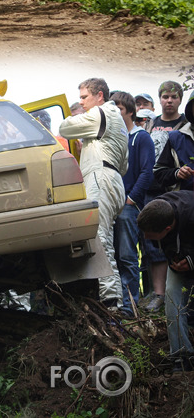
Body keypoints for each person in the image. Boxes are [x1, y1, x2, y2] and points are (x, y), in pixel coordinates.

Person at [59, 78, 129, 309]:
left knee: (100, 240)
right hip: (114, 179)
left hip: (101, 178)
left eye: (83, 97)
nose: (82, 102)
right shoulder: (117, 121)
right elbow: (125, 165)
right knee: (102, 238)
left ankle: (112, 304)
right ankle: (110, 300)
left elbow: (65, 128)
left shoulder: (100, 113)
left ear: (99, 95)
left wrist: (75, 120)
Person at [140, 80, 187, 313]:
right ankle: (156, 293)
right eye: (165, 97)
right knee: (151, 244)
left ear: (180, 99)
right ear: (159, 99)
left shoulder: (185, 125)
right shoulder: (151, 124)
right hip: (150, 188)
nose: (169, 100)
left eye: (174, 97)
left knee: (177, 242)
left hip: (175, 191)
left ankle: (174, 293)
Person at [137, 191, 194, 372]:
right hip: (179, 261)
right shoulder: (156, 211)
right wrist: (175, 261)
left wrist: (192, 261)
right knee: (171, 296)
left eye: (150, 235)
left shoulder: (191, 213)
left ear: (167, 229)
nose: (145, 239)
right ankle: (182, 356)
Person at [110, 91, 155, 316]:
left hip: (128, 205)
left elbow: (147, 172)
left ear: (129, 111)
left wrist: (131, 199)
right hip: (111, 205)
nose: (115, 113)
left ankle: (130, 307)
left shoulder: (140, 137)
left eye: (118, 108)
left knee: (128, 256)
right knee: (113, 256)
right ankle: (118, 305)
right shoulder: (111, 138)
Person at [153, 90, 194, 193]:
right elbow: (159, 173)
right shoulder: (176, 138)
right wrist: (177, 173)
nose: (169, 100)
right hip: (185, 203)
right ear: (191, 109)